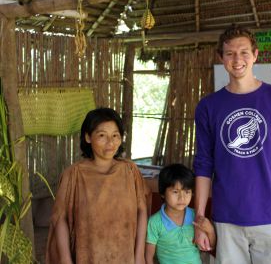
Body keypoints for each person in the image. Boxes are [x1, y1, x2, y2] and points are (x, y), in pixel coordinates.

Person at [193, 24, 271, 264]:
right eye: (229, 53)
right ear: (221, 58)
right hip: (226, 219)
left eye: (243, 52)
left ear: (255, 55)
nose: (237, 59)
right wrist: (200, 219)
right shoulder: (209, 106)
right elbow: (203, 164)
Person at [45, 108, 148, 264]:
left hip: (125, 256)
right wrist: (66, 260)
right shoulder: (74, 174)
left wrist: (139, 255)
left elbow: (142, 211)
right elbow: (60, 219)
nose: (110, 142)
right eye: (102, 135)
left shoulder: (130, 170)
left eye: (115, 135)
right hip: (88, 256)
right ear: (87, 137)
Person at [145, 163, 215, 264]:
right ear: (162, 193)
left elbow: (210, 246)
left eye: (187, 192)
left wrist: (210, 230)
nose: (182, 198)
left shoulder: (196, 217)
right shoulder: (155, 222)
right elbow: (148, 257)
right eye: (175, 192)